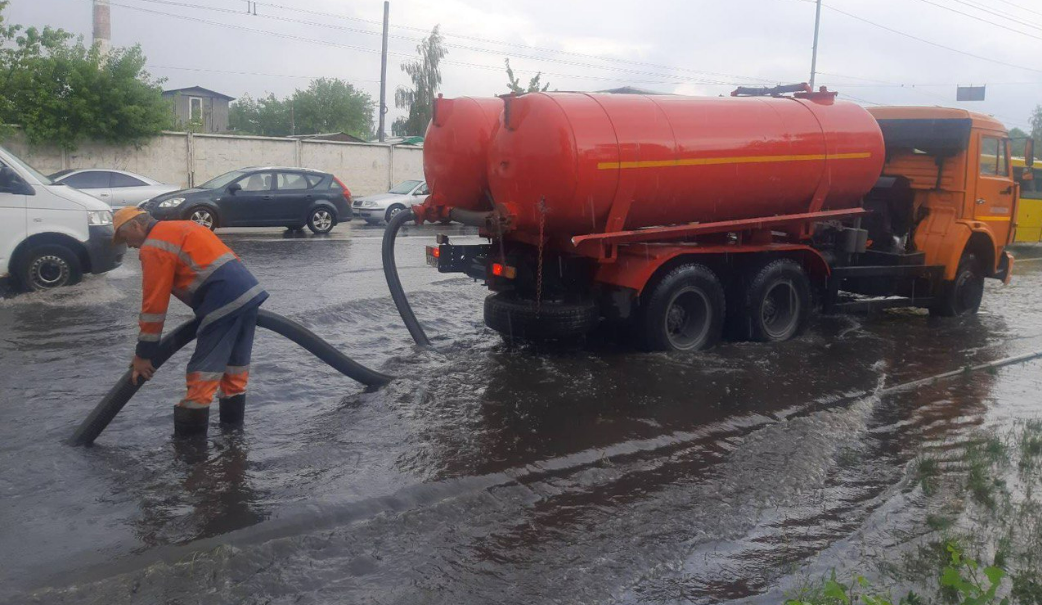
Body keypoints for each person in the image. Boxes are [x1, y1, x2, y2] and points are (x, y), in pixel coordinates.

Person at [112, 208, 268, 437]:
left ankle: (191, 455)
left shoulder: (154, 246)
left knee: (201, 374)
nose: (129, 246)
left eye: (126, 238)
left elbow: (154, 306)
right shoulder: (183, 226)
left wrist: (144, 354)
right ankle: (233, 438)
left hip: (222, 301)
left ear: (137, 226)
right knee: (234, 370)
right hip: (248, 293)